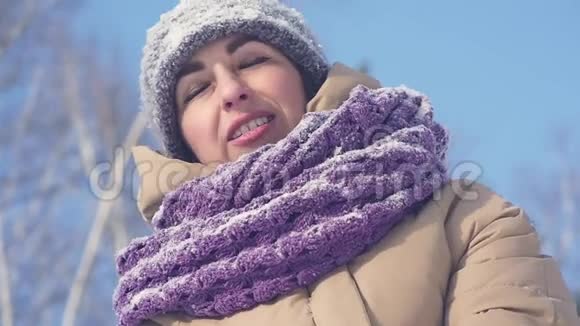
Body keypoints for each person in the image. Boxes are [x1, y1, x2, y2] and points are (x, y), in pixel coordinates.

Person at [113, 1, 579, 325]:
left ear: (306, 77)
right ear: (183, 143)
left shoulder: (467, 219)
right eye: (197, 90)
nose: (232, 91)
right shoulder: (164, 302)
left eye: (252, 60)